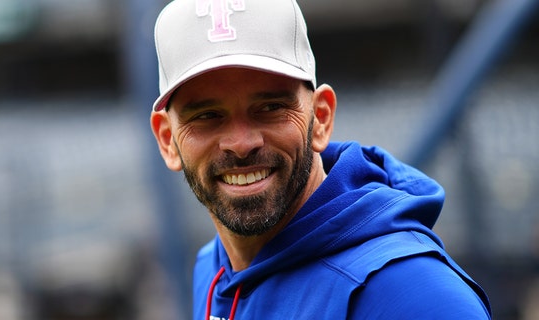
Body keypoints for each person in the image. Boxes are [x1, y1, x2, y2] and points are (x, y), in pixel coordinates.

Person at [149, 0, 492, 319]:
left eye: (270, 108)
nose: (241, 144)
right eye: (207, 115)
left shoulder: (414, 295)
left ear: (322, 118)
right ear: (167, 139)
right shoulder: (213, 266)